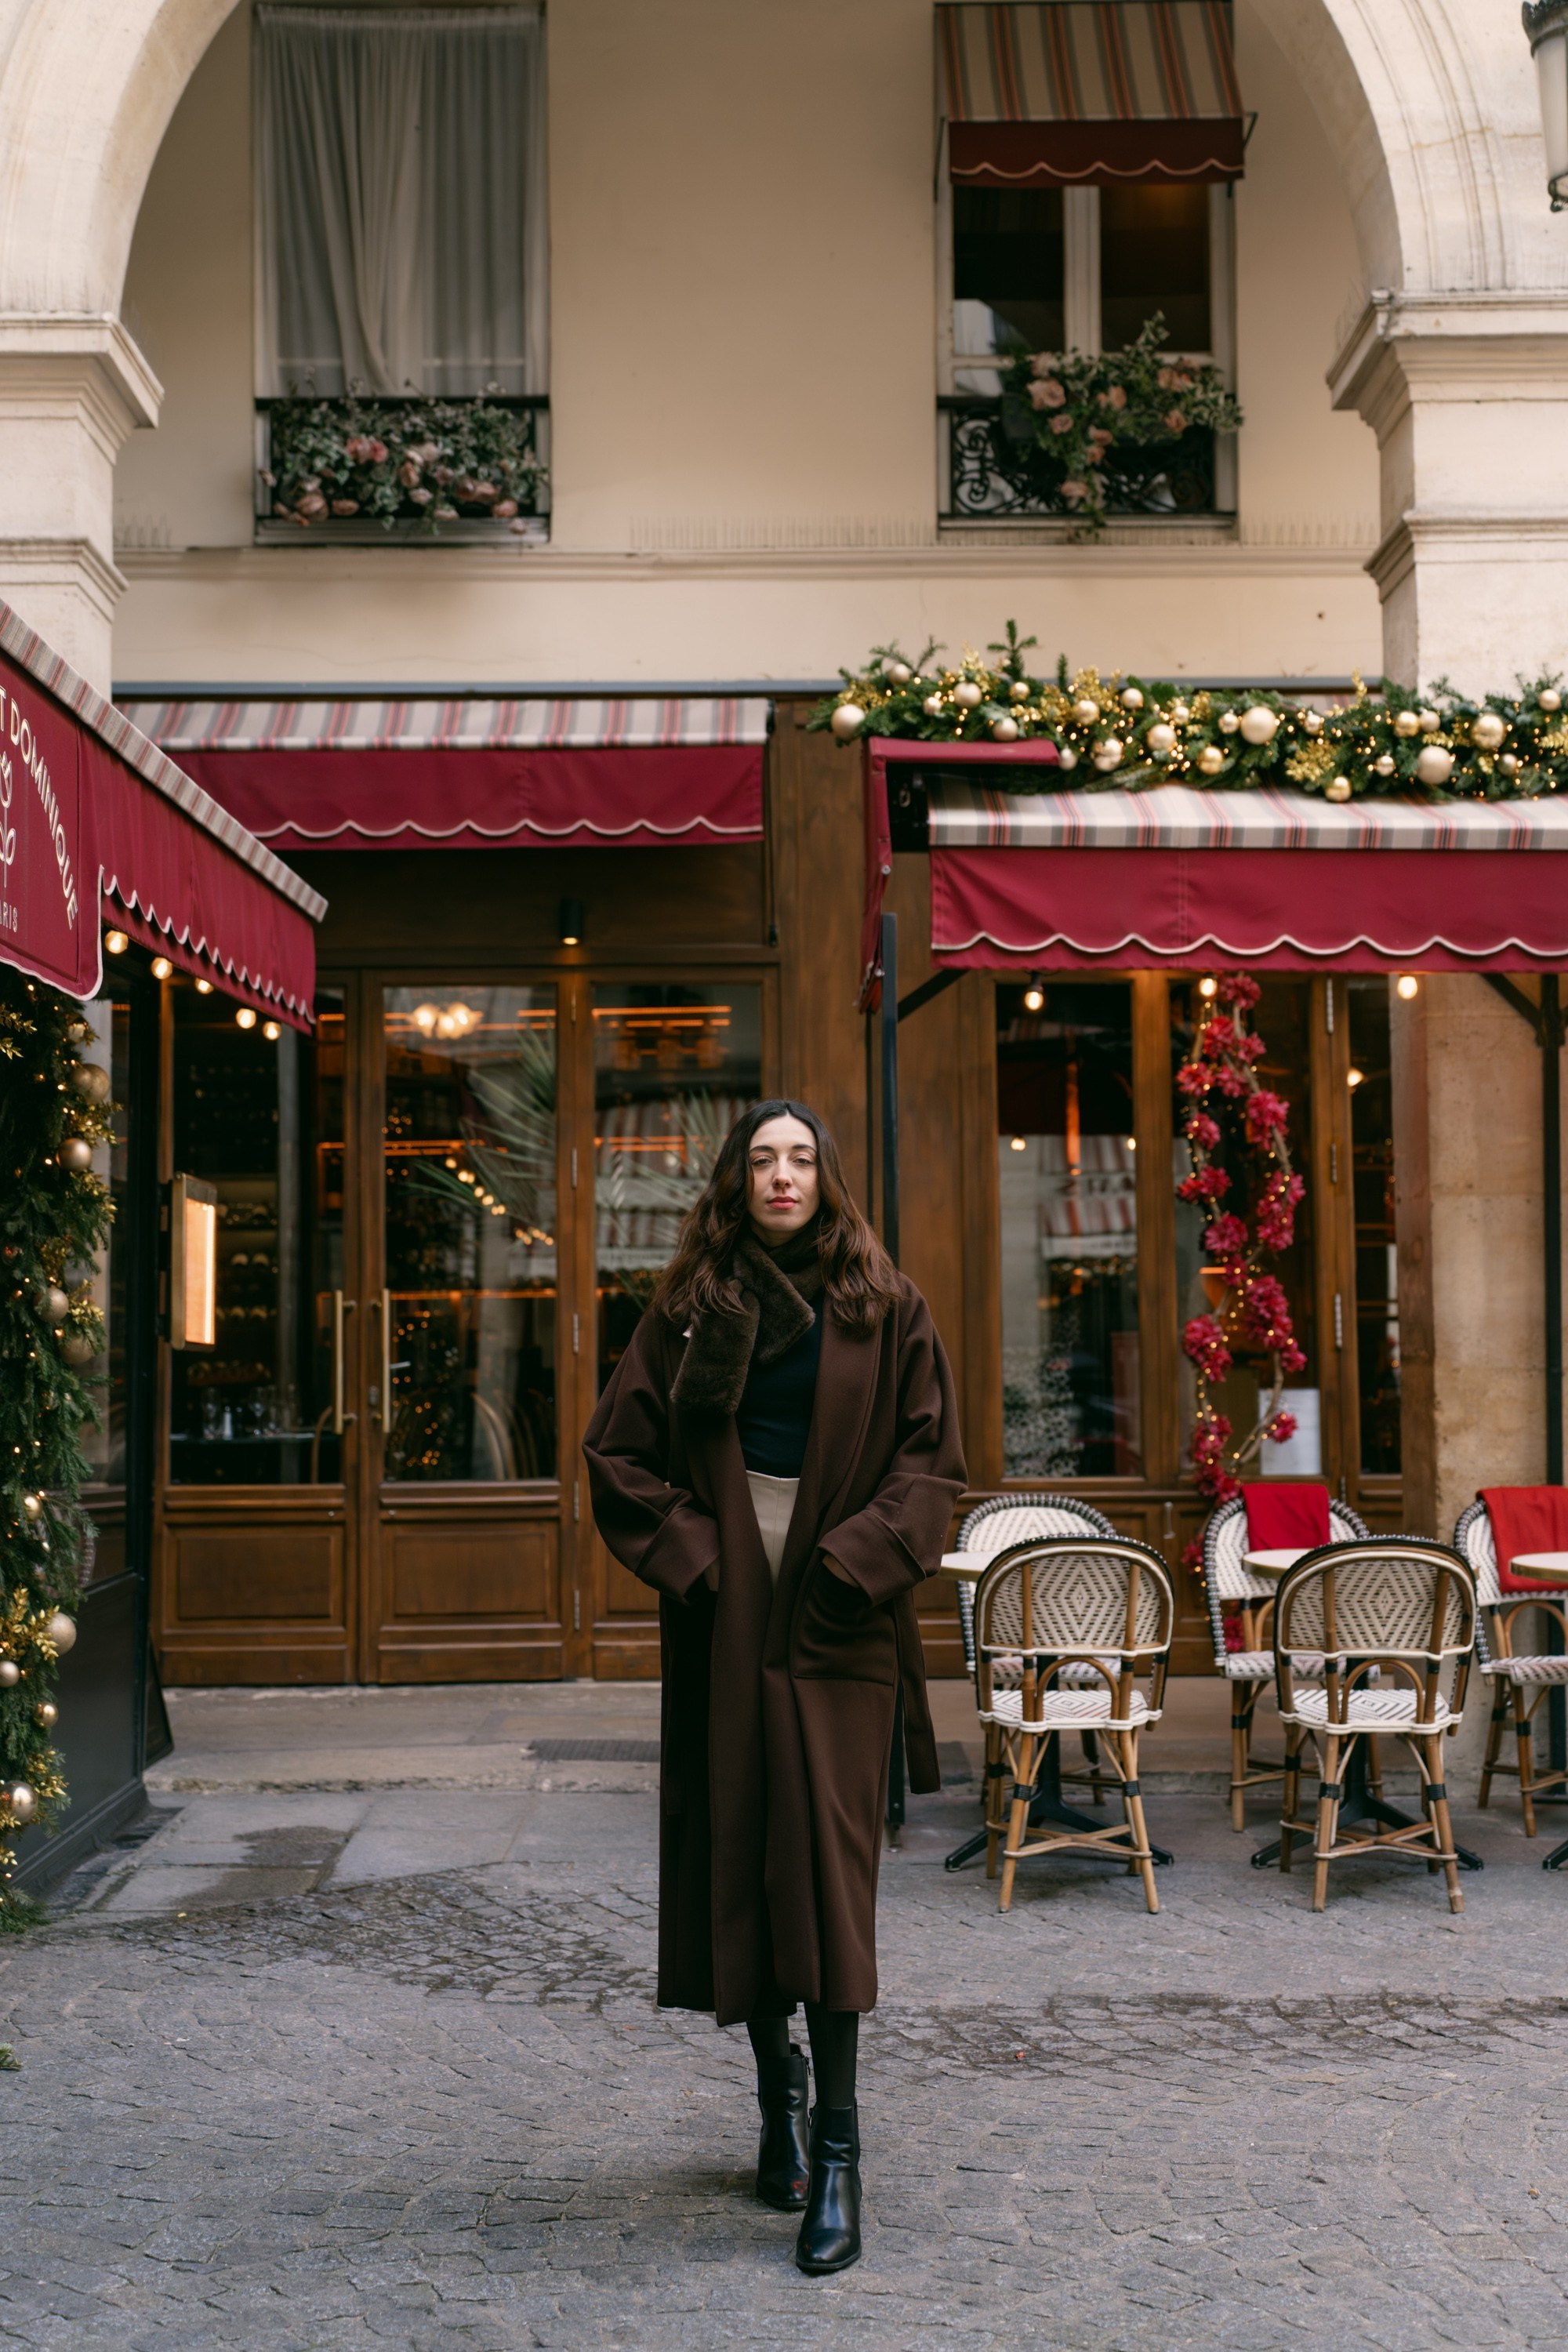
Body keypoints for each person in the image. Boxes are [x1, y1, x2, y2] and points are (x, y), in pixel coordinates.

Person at [583, 1099, 966, 2275]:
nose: (783, 1176)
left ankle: (838, 2150)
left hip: (839, 1617)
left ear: (827, 1178)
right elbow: (617, 1454)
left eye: (801, 1159)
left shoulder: (885, 1306)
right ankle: (773, 2101)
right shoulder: (693, 1309)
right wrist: (701, 1564)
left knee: (829, 1877)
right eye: (762, 1159)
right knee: (743, 1857)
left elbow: (931, 1464)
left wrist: (855, 1565)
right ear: (735, 1181)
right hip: (730, 1615)